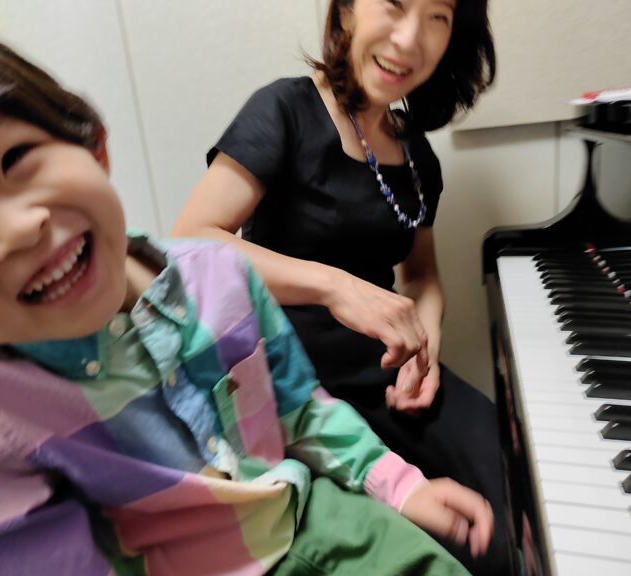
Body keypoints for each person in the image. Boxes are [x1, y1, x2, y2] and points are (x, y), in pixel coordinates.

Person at [0, 22, 495, 576]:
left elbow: (311, 394)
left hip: (309, 500)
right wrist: (336, 286)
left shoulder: (224, 276)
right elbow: (201, 226)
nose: (16, 231)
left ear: (94, 146)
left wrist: (404, 465)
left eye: (14, 159)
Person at [173, 0, 512, 573]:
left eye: (438, 17)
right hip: (295, 388)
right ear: (347, 10)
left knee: (514, 488)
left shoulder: (416, 151)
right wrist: (336, 287)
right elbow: (191, 241)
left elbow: (422, 275)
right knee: (451, 546)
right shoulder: (284, 108)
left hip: (388, 377)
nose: (410, 38)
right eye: (394, 4)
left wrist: (425, 351)